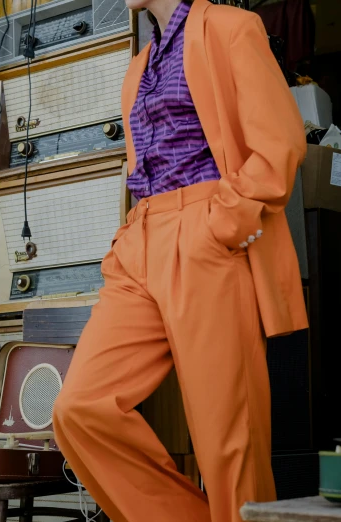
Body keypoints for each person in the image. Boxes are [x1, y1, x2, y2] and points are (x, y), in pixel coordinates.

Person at [52, 0, 307, 520]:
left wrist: (224, 224)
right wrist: (130, 238)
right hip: (142, 239)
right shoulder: (139, 66)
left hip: (206, 232)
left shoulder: (234, 29)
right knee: (81, 407)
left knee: (226, 437)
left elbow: (279, 143)